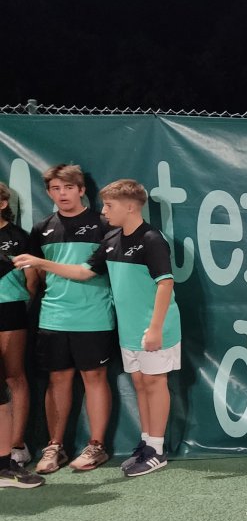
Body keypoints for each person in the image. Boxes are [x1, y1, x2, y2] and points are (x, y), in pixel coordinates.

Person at [16, 179, 182, 477]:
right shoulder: (111, 240)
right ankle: (146, 444)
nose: (104, 212)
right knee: (141, 384)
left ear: (130, 206)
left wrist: (155, 328)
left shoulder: (152, 239)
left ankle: (157, 450)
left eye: (109, 206)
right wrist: (41, 262)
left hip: (156, 329)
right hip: (129, 330)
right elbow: (83, 271)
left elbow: (165, 283)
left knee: (155, 384)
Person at [25, 164, 116, 474]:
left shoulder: (104, 225)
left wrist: (40, 263)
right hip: (53, 317)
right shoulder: (42, 229)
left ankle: (97, 446)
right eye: (55, 189)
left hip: (94, 317)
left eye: (67, 188)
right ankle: (54, 447)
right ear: (49, 193)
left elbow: (87, 273)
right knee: (57, 380)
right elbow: (34, 277)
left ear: (81, 191)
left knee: (95, 380)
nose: (61, 194)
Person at [0, 183, 35, 468]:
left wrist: (24, 304)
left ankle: (17, 446)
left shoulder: (17, 237)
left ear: (3, 204)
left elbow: (32, 281)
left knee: (14, 376)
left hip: (11, 311)